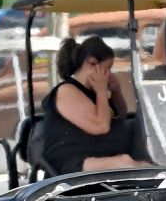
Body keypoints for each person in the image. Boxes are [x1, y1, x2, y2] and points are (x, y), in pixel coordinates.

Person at [38, 36, 150, 174]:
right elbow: (100, 126)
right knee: (127, 164)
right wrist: (101, 90)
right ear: (92, 63)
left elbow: (120, 116)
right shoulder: (67, 91)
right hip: (71, 161)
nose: (109, 74)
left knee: (144, 160)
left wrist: (116, 91)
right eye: (107, 68)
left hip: (101, 153)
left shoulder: (94, 92)